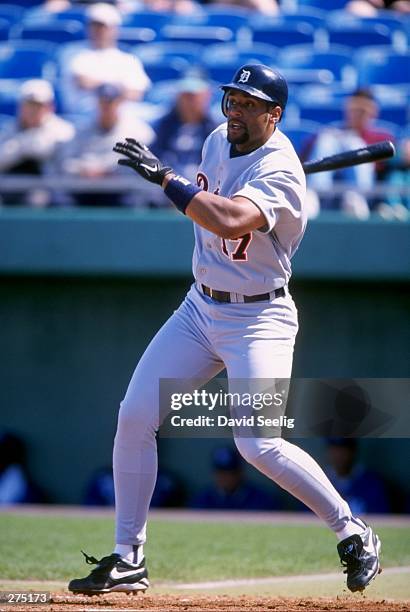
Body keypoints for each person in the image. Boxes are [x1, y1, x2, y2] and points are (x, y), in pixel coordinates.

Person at [68, 64, 381, 596]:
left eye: (248, 103)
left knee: (257, 443)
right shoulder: (219, 139)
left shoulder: (282, 170)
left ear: (273, 114)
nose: (234, 110)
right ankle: (128, 558)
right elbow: (214, 202)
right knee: (135, 416)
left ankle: (353, 531)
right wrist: (183, 182)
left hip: (259, 318)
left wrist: (166, 178)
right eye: (231, 100)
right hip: (199, 308)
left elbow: (230, 220)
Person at [58, 83, 154, 206]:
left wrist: (108, 170)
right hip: (84, 190)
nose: (107, 106)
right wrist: (84, 169)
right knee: (61, 201)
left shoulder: (139, 131)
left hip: (121, 191)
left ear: (120, 102)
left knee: (134, 201)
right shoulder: (81, 131)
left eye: (111, 101)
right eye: (103, 101)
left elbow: (142, 164)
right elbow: (66, 163)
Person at [305, 88, 395, 217]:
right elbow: (306, 158)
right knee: (327, 139)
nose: (357, 114)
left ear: (373, 112)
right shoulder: (328, 133)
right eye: (354, 109)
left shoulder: (381, 137)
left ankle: (356, 200)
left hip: (362, 195)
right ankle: (313, 198)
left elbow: (388, 164)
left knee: (354, 143)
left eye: (363, 111)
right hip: (325, 195)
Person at [62, 3, 151, 114]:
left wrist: (106, 87)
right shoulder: (74, 53)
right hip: (89, 113)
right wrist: (119, 88)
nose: (99, 31)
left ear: (115, 29)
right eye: (94, 26)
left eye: (104, 27)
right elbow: (84, 82)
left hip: (125, 114)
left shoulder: (129, 60)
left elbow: (136, 93)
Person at [0, 80, 74, 206]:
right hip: (8, 187)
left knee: (38, 198)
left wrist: (21, 147)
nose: (33, 110)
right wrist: (23, 147)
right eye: (29, 105)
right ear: (21, 106)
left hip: (48, 190)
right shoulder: (7, 130)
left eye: (39, 105)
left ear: (50, 107)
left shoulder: (64, 131)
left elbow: (64, 167)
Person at [151, 74, 217, 185]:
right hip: (166, 185)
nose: (189, 102)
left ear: (206, 97)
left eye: (193, 97)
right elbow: (156, 155)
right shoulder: (163, 126)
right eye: (185, 96)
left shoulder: (215, 129)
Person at [190, 445, 279, 510]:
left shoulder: (260, 499)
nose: (225, 477)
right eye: (221, 472)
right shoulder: (203, 499)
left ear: (240, 472)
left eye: (230, 472)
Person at [325, 439, 390, 515]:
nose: (339, 455)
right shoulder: (321, 480)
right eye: (335, 449)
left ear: (353, 451)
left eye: (344, 449)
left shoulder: (372, 483)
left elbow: (383, 518)